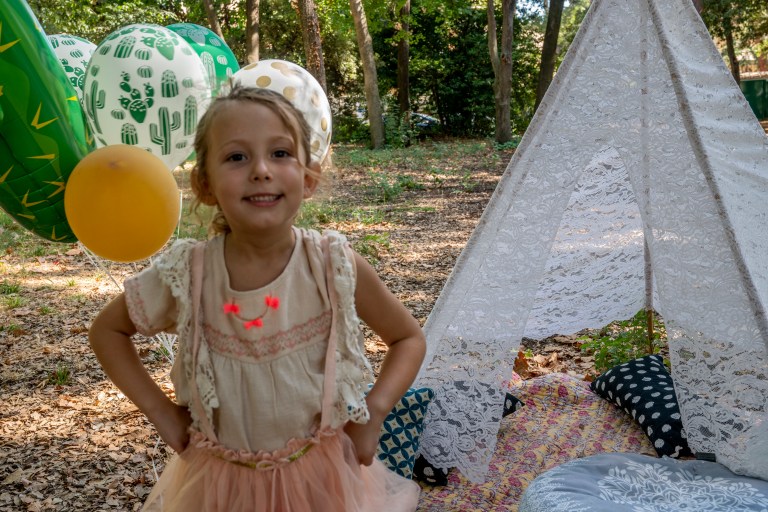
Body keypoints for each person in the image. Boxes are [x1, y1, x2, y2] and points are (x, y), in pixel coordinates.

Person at [89, 83, 426, 511]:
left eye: (281, 153)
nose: (261, 170)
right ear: (205, 183)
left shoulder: (333, 265)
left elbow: (408, 339)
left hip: (322, 481)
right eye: (236, 157)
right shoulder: (188, 273)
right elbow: (107, 331)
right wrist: (161, 412)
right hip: (220, 488)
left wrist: (375, 411)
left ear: (309, 177)